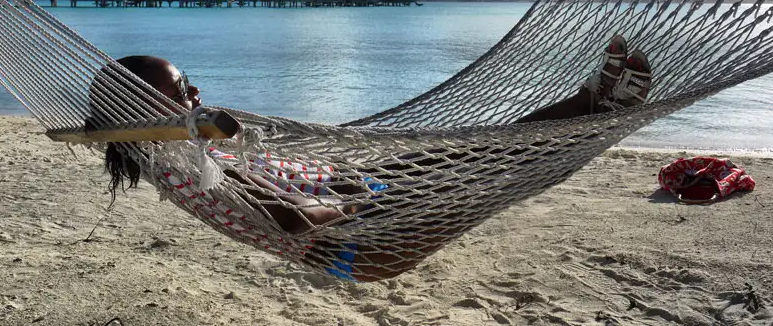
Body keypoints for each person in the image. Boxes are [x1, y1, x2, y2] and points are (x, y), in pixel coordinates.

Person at [98, 34, 651, 280]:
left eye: (189, 83)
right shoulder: (192, 167)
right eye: (180, 89)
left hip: (362, 196)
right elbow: (288, 219)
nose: (194, 95)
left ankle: (589, 103)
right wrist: (353, 202)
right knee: (498, 172)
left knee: (481, 150)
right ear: (142, 107)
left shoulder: (180, 149)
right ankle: (601, 115)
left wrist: (353, 187)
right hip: (361, 241)